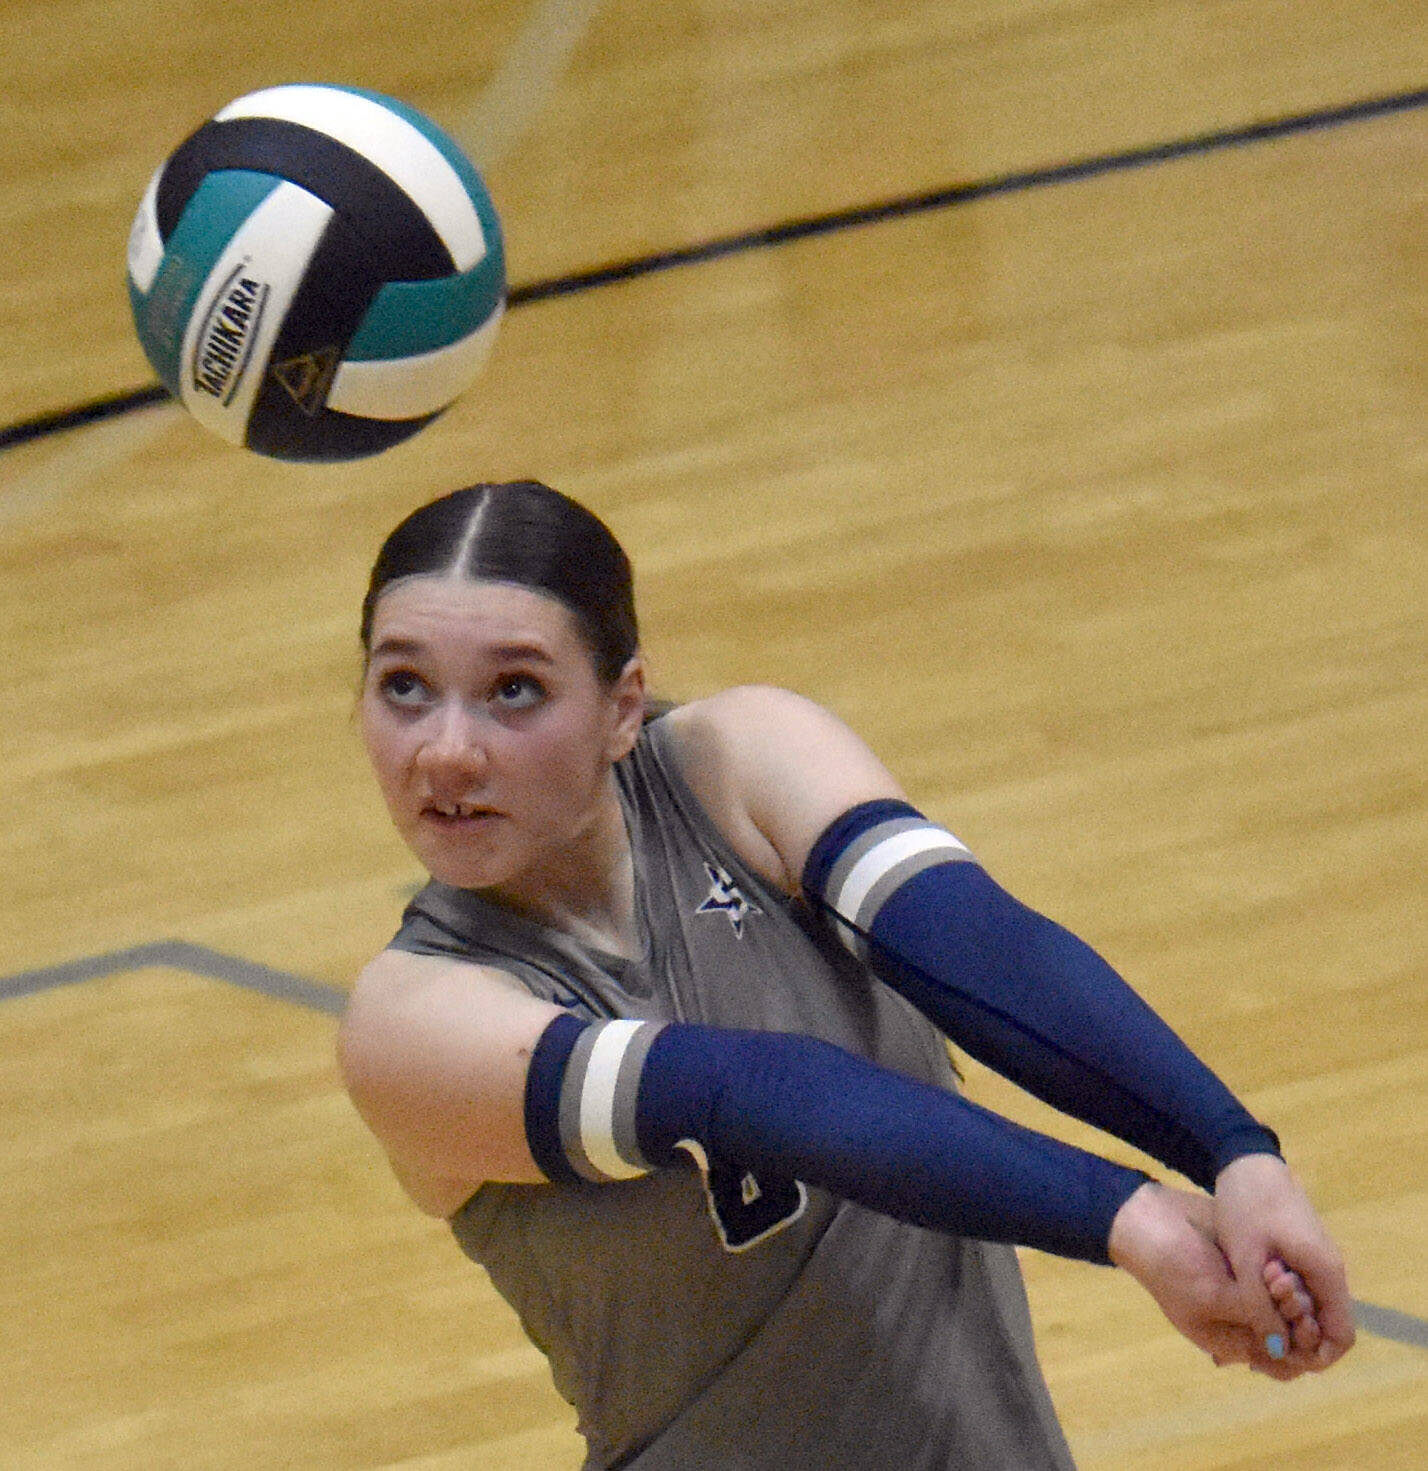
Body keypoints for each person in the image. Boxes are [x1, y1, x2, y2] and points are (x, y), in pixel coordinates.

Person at [337, 480, 1354, 1471]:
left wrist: (1233, 1152)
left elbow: (966, 940)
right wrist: (1130, 1218)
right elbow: (762, 1096)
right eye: (404, 688)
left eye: (514, 689)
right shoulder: (411, 1025)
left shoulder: (734, 765)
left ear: (622, 707)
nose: (448, 753)